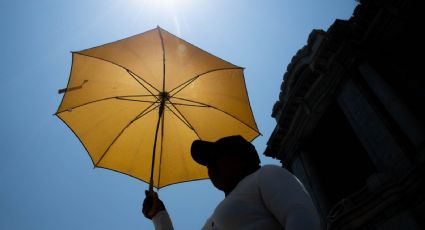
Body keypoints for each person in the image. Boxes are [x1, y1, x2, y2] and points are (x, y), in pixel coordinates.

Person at [142, 135, 321, 230]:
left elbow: (299, 214)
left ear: (240, 159)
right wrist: (159, 215)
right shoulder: (213, 218)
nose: (210, 166)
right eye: (207, 162)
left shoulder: (266, 174)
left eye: (216, 157)